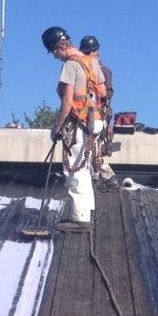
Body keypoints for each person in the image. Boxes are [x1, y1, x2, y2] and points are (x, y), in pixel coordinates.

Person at [41, 26, 107, 225]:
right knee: (84, 167)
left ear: (60, 47)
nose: (55, 57)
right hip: (96, 121)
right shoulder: (92, 61)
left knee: (74, 170)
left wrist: (58, 128)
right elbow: (103, 92)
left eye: (54, 52)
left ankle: (79, 218)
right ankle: (88, 211)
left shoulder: (70, 65)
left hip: (80, 122)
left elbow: (67, 102)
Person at [79, 34, 117, 183]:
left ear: (96, 53)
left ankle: (105, 176)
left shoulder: (104, 71)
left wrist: (95, 90)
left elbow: (108, 94)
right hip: (83, 114)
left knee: (94, 148)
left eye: (89, 53)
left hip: (98, 115)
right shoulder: (82, 69)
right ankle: (95, 176)